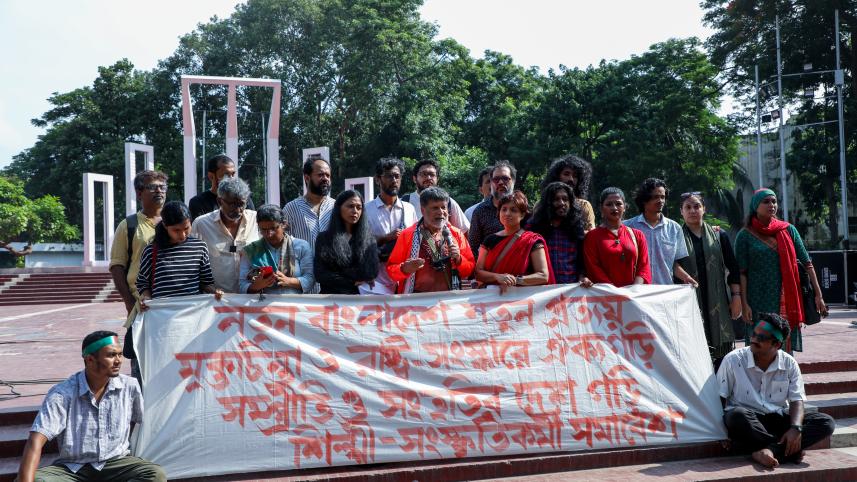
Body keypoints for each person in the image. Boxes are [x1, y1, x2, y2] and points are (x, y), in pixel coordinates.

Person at [16, 331, 166, 482]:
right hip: (72, 469)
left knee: (155, 474)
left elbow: (136, 423)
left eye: (120, 354)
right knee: (34, 480)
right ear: (90, 360)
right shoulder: (62, 394)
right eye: (111, 355)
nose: (118, 360)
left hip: (116, 464)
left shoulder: (129, 386)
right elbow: (35, 440)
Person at [717, 312, 835, 468]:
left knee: (826, 422)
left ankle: (768, 450)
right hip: (748, 421)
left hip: (777, 419)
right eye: (754, 334)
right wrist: (719, 432)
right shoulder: (733, 359)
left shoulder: (789, 363)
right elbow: (719, 398)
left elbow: (796, 400)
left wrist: (795, 428)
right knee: (735, 416)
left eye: (761, 338)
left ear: (777, 344)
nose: (754, 339)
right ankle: (786, 450)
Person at [734, 188, 827, 353]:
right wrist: (744, 303)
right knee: (759, 344)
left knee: (783, 343)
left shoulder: (788, 230)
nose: (772, 205)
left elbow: (807, 263)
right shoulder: (745, 235)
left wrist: (818, 295)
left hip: (785, 296)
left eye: (774, 201)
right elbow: (741, 272)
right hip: (757, 299)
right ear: (756, 205)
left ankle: (784, 377)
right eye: (766, 202)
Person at [677, 192, 741, 368]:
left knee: (721, 358)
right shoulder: (677, 238)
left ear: (704, 209)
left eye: (697, 206)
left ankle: (722, 393)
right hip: (689, 303)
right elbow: (671, 266)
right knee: (692, 354)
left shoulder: (720, 236)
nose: (692, 210)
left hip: (718, 303)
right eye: (687, 207)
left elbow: (733, 268)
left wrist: (736, 297)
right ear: (681, 211)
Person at [387, 187, 475, 293]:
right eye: (435, 208)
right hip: (417, 302)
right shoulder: (407, 235)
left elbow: (469, 269)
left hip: (449, 301)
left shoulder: (456, 234)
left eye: (443, 207)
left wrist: (459, 259)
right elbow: (391, 271)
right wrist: (404, 269)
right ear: (423, 210)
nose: (441, 212)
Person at [137, 201, 221, 308]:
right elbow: (142, 283)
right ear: (165, 226)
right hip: (162, 314)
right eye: (176, 230)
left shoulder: (200, 247)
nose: (182, 235)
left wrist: (215, 292)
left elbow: (206, 282)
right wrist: (146, 298)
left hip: (192, 313)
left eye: (186, 228)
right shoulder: (151, 251)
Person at [191, 176, 259, 293]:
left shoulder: (257, 220)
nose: (238, 210)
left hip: (251, 298)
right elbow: (193, 264)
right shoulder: (201, 224)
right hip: (216, 300)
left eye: (241, 204)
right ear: (219, 201)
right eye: (232, 204)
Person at [475, 190, 554, 289]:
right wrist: (497, 277)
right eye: (504, 209)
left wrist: (515, 280)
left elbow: (543, 276)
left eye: (513, 210)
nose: (507, 213)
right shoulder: (489, 240)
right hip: (492, 299)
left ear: (522, 215)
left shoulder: (532, 240)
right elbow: (478, 273)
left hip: (521, 300)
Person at [625, 178, 697, 286]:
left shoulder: (674, 229)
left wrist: (686, 277)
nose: (660, 201)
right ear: (644, 200)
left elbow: (672, 264)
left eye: (663, 197)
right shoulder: (628, 227)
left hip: (664, 293)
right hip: (636, 293)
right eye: (655, 197)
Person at [364, 157, 418, 294]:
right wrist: (385, 238)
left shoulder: (409, 208)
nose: (394, 180)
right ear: (377, 179)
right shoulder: (365, 210)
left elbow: (416, 240)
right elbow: (358, 243)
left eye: (397, 176)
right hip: (374, 284)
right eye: (388, 176)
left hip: (404, 282)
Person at [282, 156, 334, 293]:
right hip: (302, 288)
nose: (325, 178)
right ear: (307, 177)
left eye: (328, 175)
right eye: (320, 174)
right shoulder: (291, 208)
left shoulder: (337, 207)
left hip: (332, 287)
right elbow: (283, 246)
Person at [239, 204, 315, 295]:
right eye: (263, 229)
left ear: (284, 224)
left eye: (273, 228)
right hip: (262, 306)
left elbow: (310, 279)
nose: (269, 234)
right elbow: (241, 284)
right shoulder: (251, 250)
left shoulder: (301, 246)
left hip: (293, 305)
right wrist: (256, 286)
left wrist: (288, 281)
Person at [583, 187, 652, 286]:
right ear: (601, 208)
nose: (614, 208)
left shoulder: (638, 235)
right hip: (606, 296)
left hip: (634, 296)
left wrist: (634, 290)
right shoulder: (592, 237)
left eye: (618, 204)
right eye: (609, 204)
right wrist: (615, 293)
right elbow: (593, 268)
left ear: (624, 207)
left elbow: (644, 267)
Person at [314, 190, 379, 294]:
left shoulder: (369, 240)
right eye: (350, 206)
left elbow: (371, 273)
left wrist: (340, 274)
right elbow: (321, 274)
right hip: (330, 300)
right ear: (339, 208)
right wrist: (352, 280)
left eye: (359, 207)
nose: (355, 211)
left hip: (358, 302)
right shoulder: (324, 238)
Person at [527, 182, 590, 285]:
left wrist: (582, 276)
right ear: (548, 202)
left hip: (570, 289)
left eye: (565, 199)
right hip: (541, 292)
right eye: (556, 199)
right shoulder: (534, 227)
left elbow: (581, 260)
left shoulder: (576, 228)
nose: (562, 203)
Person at [404, 159, 470, 233]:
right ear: (414, 178)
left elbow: (464, 231)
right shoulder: (405, 202)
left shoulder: (448, 202)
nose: (428, 178)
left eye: (432, 174)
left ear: (437, 179)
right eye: (424, 174)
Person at [469, 161, 516, 261]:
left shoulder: (524, 209)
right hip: (490, 272)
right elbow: (472, 248)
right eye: (496, 179)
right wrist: (483, 270)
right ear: (491, 183)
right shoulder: (480, 211)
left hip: (520, 273)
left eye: (505, 178)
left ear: (513, 181)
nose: (500, 182)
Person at [188, 154, 255, 221]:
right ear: (211, 176)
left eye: (233, 174)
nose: (231, 179)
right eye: (226, 175)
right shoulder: (198, 202)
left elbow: (252, 223)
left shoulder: (244, 198)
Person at [540, 155, 596, 231]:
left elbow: (591, 234)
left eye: (575, 176)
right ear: (557, 176)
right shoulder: (542, 204)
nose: (571, 179)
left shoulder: (584, 205)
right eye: (566, 174)